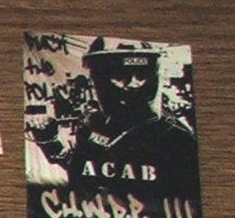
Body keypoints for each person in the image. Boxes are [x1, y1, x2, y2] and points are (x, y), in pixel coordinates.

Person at [27, 37, 200, 207]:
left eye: (141, 74)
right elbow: (87, 169)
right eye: (119, 75)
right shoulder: (94, 125)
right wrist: (49, 142)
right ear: (97, 78)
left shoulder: (176, 139)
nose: (132, 83)